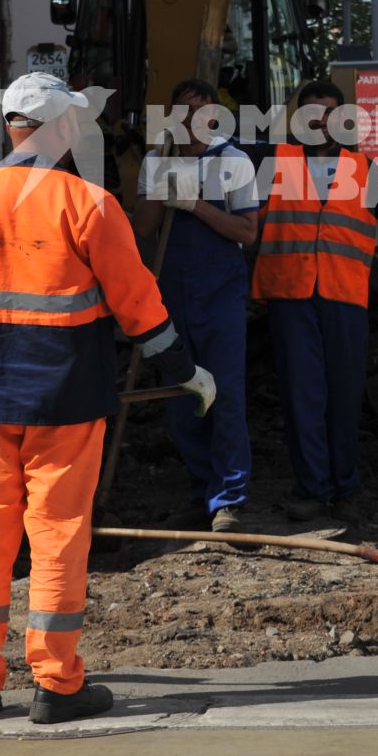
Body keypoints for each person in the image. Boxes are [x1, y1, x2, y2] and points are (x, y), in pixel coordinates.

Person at [0, 72, 216, 727]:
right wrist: (185, 369)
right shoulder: (89, 204)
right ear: (60, 130)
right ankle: (56, 683)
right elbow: (140, 306)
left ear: (10, 127)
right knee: (56, 537)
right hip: (64, 399)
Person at [253, 78, 378, 524]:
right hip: (291, 294)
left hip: (343, 296)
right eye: (313, 114)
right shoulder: (272, 161)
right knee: (301, 395)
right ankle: (312, 488)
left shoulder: (362, 169)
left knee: (344, 396)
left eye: (330, 114)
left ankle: (344, 488)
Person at [132, 78, 259, 532]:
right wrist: (161, 187)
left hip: (221, 293)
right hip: (172, 293)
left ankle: (229, 499)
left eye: (203, 111)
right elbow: (145, 229)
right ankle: (200, 493)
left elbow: (247, 232)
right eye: (184, 111)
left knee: (222, 393)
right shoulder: (155, 159)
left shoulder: (234, 162)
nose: (194, 120)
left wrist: (196, 205)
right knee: (182, 395)